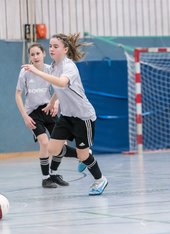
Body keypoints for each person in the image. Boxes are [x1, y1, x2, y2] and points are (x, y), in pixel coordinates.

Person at [22, 33, 108, 195]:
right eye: (50, 46)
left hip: (83, 117)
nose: (52, 49)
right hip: (67, 116)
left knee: (83, 156)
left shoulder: (69, 67)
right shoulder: (54, 66)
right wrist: (53, 101)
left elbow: (62, 82)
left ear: (65, 49)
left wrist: (37, 72)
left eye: (56, 46)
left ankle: (100, 179)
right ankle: (84, 155)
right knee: (52, 148)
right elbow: (59, 88)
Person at [15, 43, 69, 188]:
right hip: (33, 113)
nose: (35, 56)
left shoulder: (49, 69)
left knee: (61, 144)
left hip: (48, 109)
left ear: (44, 54)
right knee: (45, 143)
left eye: (38, 53)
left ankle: (53, 173)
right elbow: (18, 94)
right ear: (29, 57)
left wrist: (55, 104)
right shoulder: (25, 72)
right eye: (32, 54)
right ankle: (46, 178)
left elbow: (59, 88)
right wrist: (25, 117)